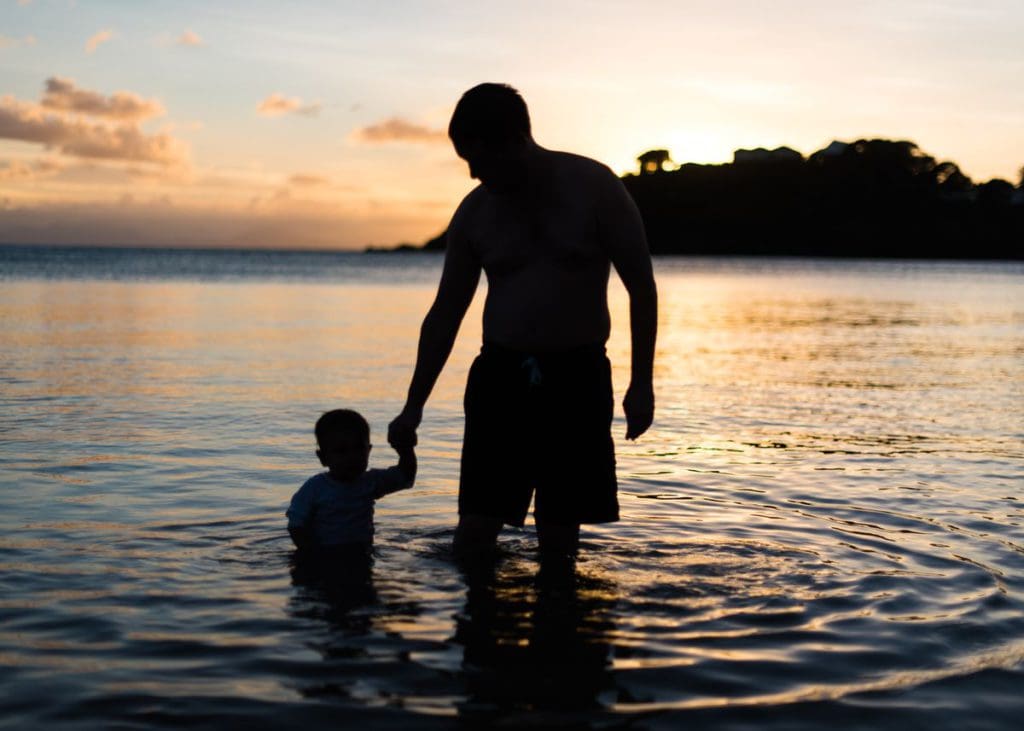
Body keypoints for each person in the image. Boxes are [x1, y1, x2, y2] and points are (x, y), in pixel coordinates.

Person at [388, 83, 657, 559]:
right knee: (473, 536)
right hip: (500, 378)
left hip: (577, 377)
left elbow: (642, 288)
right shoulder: (475, 214)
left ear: (514, 139)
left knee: (560, 540)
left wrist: (642, 384)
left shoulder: (595, 188)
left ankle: (560, 626)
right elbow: (445, 314)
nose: (472, 173)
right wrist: (414, 406)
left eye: (477, 158)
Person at [287, 409, 416, 553]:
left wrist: (406, 449)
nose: (352, 457)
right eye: (341, 451)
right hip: (325, 557)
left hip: (362, 555)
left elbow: (406, 476)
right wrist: (311, 552)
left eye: (359, 448)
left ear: (369, 450)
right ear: (323, 458)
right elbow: (296, 525)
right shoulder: (314, 488)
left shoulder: (370, 482)